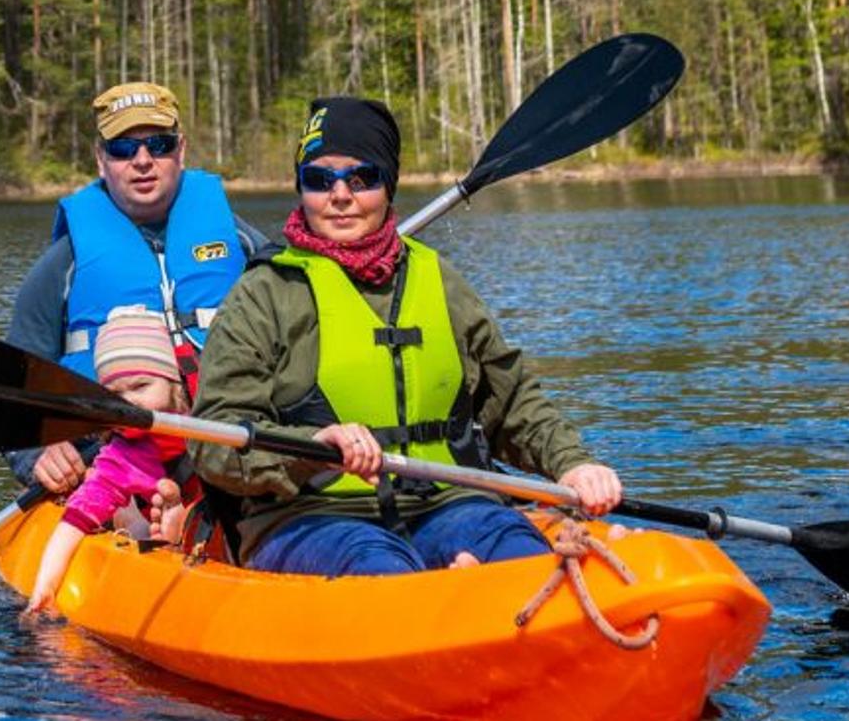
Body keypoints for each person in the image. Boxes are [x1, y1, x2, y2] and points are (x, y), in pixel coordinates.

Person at [188, 96, 622, 576]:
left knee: (514, 547)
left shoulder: (438, 279)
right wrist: (310, 446)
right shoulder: (263, 294)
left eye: (361, 178)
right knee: (378, 564)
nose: (339, 195)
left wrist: (572, 464)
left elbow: (512, 400)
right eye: (319, 179)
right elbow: (214, 442)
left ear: (387, 185)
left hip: (449, 505)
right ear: (302, 189)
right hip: (311, 518)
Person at [4, 81, 268, 494]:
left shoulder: (243, 244)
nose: (142, 161)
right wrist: (37, 452)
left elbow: (298, 337)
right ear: (100, 159)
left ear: (180, 150)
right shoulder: (63, 264)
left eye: (158, 145)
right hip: (108, 456)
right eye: (123, 149)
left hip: (225, 443)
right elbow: (15, 383)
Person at [26, 308, 190, 614]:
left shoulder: (215, 422)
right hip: (163, 546)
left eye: (141, 386)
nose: (129, 403)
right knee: (134, 523)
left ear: (173, 384)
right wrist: (45, 588)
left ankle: (183, 524)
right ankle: (153, 531)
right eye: (115, 394)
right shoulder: (122, 456)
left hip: (214, 519)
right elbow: (74, 522)